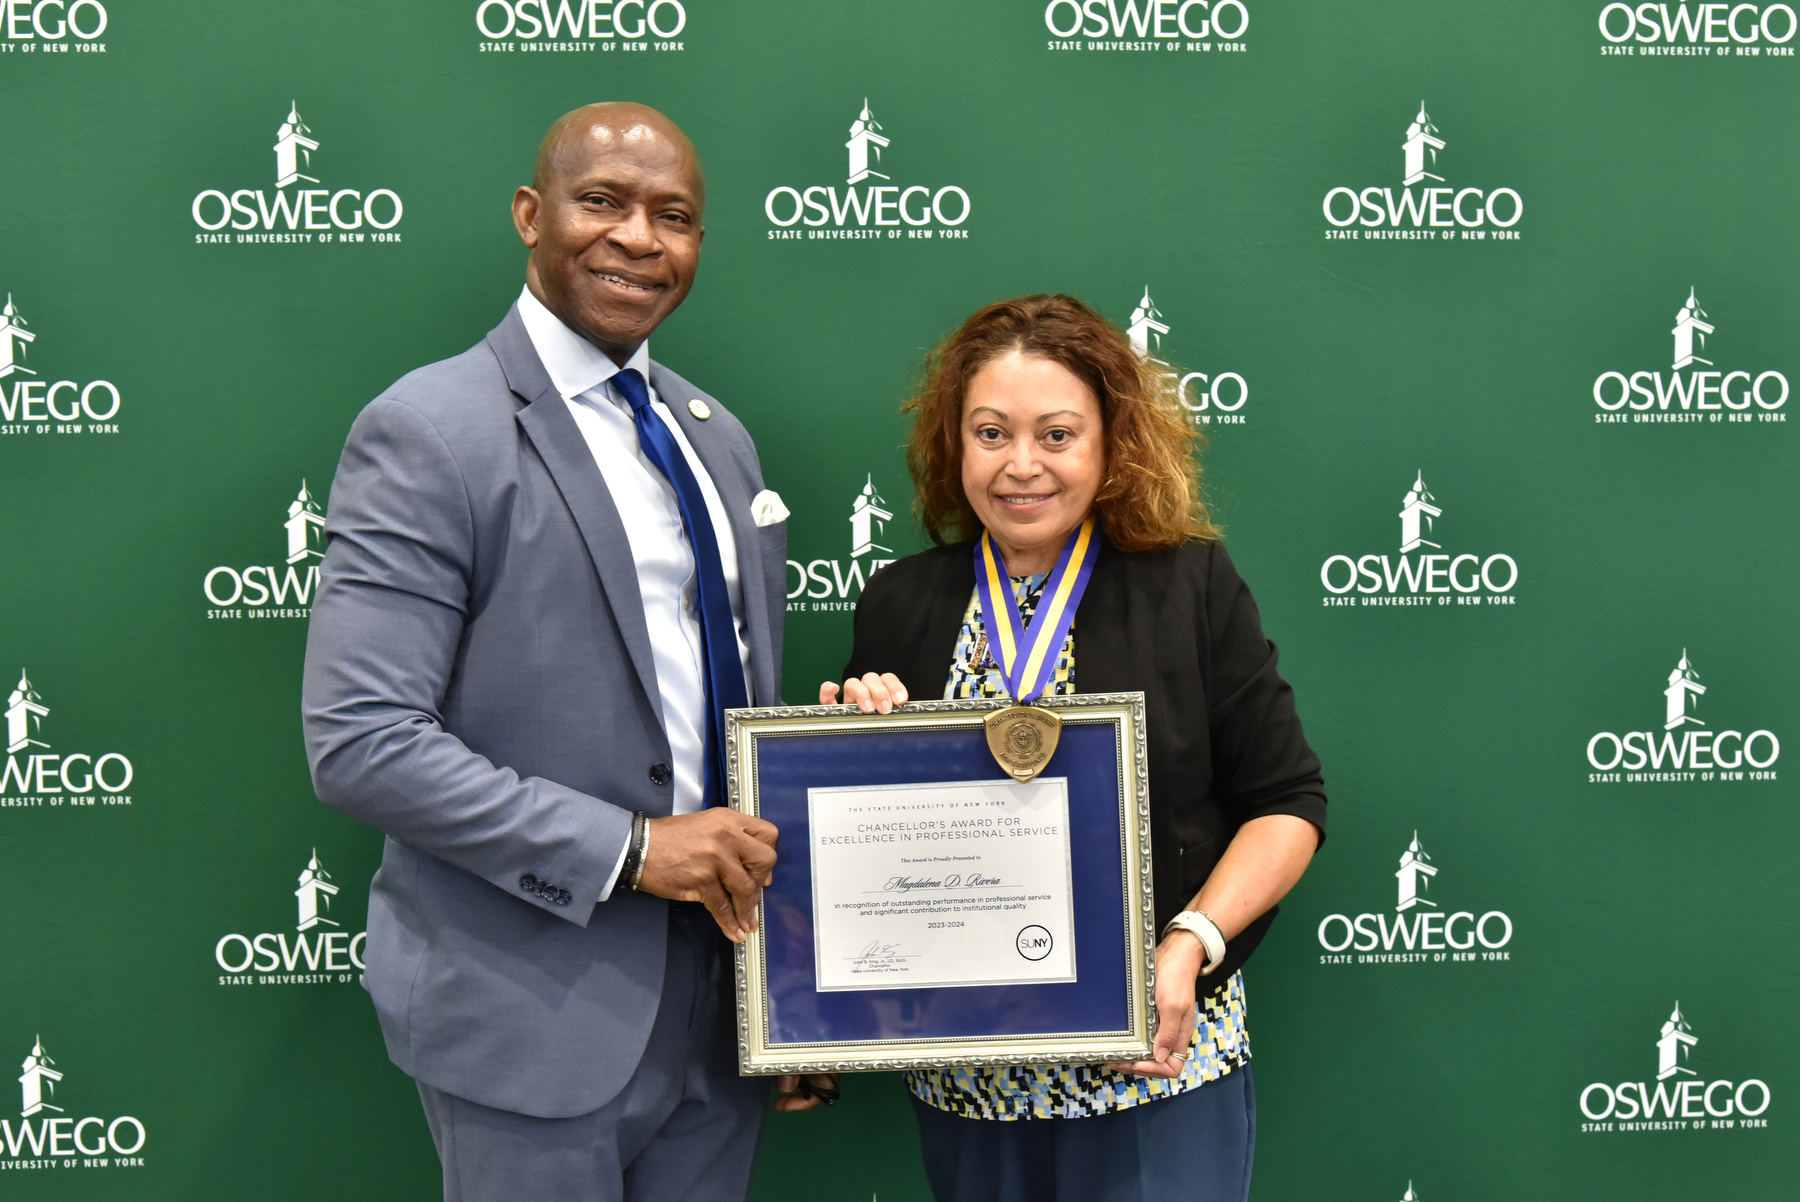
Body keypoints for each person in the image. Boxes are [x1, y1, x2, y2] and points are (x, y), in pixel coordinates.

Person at [302, 102, 826, 1202]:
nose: (641, 237)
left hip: (727, 1006)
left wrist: (805, 983)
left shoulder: (715, 435)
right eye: (604, 202)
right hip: (528, 1007)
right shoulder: (430, 428)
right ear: (531, 216)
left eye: (674, 215)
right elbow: (361, 741)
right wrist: (635, 849)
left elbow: (732, 717)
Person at [823, 294, 1327, 1202]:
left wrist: (1193, 940)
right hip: (968, 1085)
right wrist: (852, 746)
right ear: (954, 445)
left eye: (1056, 435)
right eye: (991, 433)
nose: (1022, 466)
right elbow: (867, 853)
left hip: (1155, 1061)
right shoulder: (901, 602)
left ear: (1109, 443)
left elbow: (1288, 802)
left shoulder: (1189, 584)